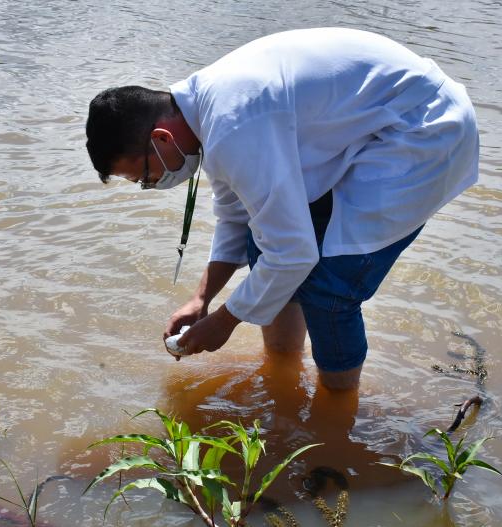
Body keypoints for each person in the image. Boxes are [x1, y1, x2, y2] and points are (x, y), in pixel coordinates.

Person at [85, 27, 479, 392]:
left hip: (424, 131)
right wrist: (201, 300)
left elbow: (294, 254)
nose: (153, 185)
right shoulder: (209, 113)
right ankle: (284, 370)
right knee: (263, 244)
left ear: (160, 138)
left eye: (145, 176)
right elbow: (235, 215)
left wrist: (224, 322)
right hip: (373, 132)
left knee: (332, 286)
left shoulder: (232, 122)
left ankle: (337, 411)